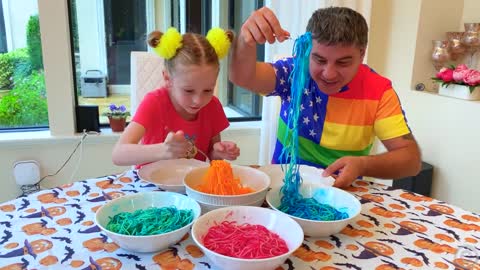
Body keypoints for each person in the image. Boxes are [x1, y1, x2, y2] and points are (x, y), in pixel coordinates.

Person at [229, 6, 421, 188]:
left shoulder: (379, 91)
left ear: (362, 54)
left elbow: (410, 160)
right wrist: (245, 41)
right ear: (307, 51)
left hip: (341, 196)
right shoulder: (294, 72)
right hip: (281, 189)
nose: (329, 74)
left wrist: (363, 164)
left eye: (343, 62)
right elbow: (242, 77)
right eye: (319, 59)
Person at [112, 27, 240, 168]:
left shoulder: (213, 106)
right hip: (152, 186)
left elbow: (211, 156)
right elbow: (118, 154)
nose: (198, 100)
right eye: (189, 90)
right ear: (167, 78)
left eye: (208, 90)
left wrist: (219, 153)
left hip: (192, 185)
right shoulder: (154, 103)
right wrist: (163, 150)